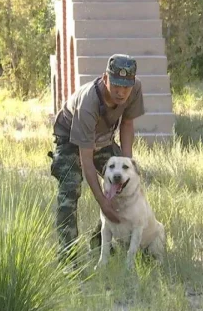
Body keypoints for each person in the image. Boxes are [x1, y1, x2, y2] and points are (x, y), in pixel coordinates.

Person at [48, 53, 145, 266]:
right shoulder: (89, 103)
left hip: (102, 139)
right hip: (71, 141)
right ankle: (68, 258)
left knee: (124, 185)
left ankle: (100, 241)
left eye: (125, 87)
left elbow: (127, 124)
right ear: (105, 78)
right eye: (116, 86)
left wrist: (126, 167)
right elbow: (87, 162)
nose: (121, 93)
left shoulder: (135, 89)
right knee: (70, 191)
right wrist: (102, 202)